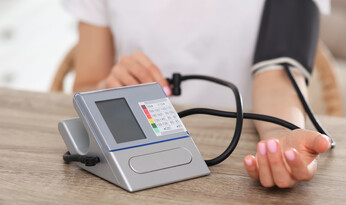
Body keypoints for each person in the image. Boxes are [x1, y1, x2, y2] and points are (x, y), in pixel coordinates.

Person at [63, 0, 332, 188]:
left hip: (236, 164)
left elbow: (277, 76)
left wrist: (279, 136)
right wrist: (109, 92)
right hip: (134, 155)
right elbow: (85, 85)